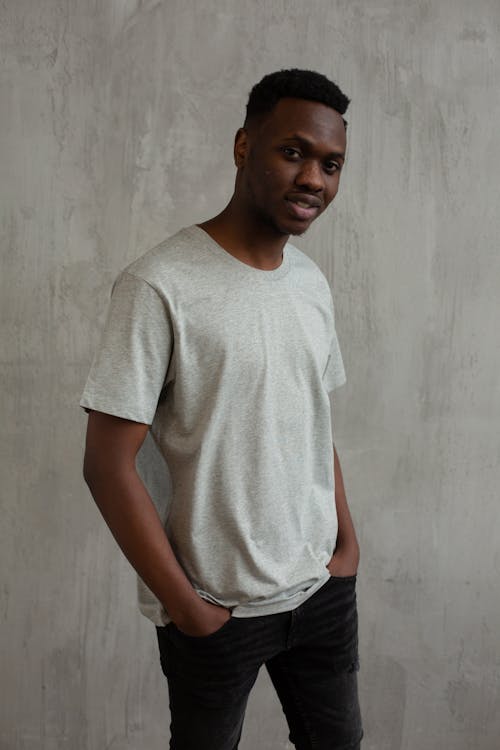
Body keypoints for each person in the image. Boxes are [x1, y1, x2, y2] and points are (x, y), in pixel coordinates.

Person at [81, 68, 363, 749]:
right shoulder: (160, 285)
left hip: (320, 594)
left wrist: (346, 545)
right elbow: (106, 465)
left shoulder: (310, 282)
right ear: (243, 146)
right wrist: (185, 602)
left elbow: (311, 424)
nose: (314, 180)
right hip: (218, 608)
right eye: (292, 152)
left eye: (331, 164)